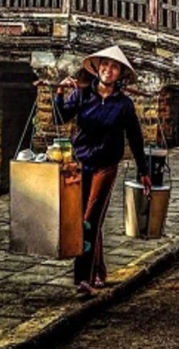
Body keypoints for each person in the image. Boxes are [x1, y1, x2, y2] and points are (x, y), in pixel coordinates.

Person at [54, 45, 151, 296]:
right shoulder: (83, 95)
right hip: (80, 164)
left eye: (114, 67)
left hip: (106, 167)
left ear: (120, 74)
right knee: (82, 220)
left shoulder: (124, 105)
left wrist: (144, 171)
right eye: (105, 65)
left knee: (90, 220)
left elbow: (136, 138)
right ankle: (98, 269)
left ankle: (82, 279)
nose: (109, 70)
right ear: (97, 68)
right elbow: (58, 118)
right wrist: (59, 93)